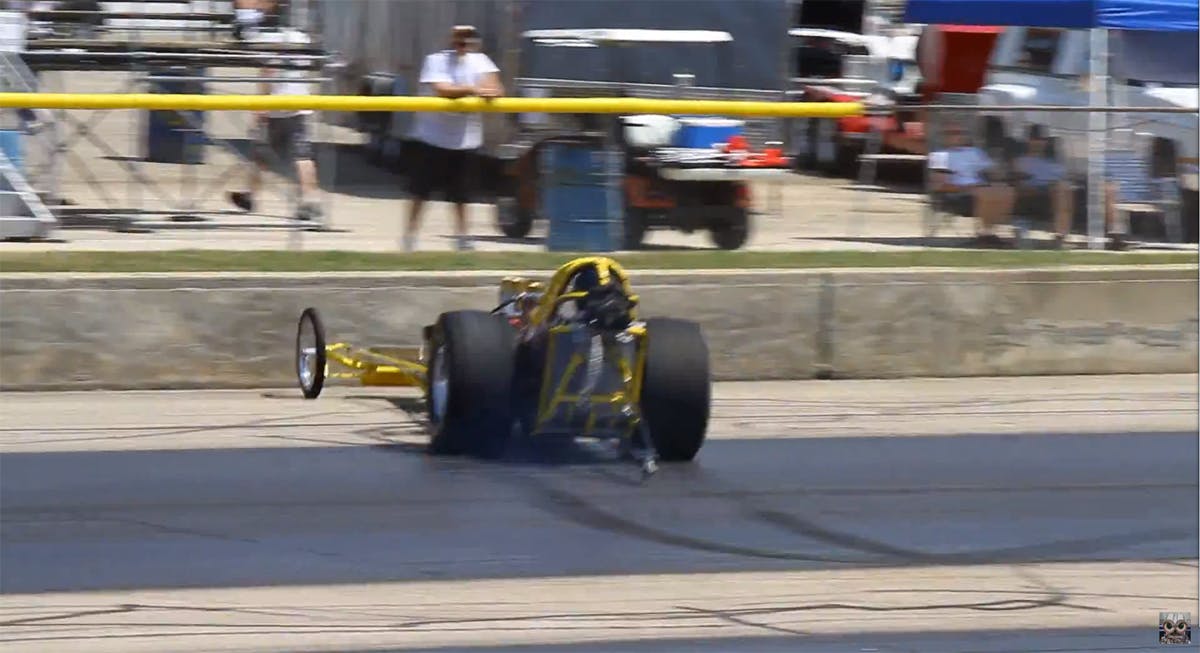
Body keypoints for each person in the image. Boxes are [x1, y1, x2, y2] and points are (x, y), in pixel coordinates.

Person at [403, 25, 504, 252]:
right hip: (432, 137)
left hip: (465, 139)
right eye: (459, 38)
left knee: (462, 194)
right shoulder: (436, 60)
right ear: (451, 39)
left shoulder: (482, 61)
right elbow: (443, 89)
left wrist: (487, 90)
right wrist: (474, 89)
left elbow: (496, 87)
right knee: (420, 191)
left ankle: (462, 237)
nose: (463, 43)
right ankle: (410, 236)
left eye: (468, 39)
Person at [227, 0, 323, 222]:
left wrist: (260, 107)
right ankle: (309, 199)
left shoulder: (267, 39)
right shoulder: (301, 38)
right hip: (298, 103)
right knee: (300, 155)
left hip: (277, 105)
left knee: (264, 153)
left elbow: (267, 74)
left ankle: (252, 195)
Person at [927, 123, 1016, 247]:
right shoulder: (939, 156)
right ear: (944, 137)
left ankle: (989, 233)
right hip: (957, 194)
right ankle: (984, 235)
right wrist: (967, 188)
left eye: (960, 133)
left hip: (981, 188)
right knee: (988, 193)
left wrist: (1001, 168)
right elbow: (939, 185)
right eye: (951, 133)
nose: (956, 136)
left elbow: (994, 172)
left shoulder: (974, 152)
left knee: (1007, 191)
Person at [1013, 125, 1075, 248]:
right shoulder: (1021, 161)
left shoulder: (1053, 163)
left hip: (1050, 195)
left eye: (1041, 140)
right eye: (1034, 139)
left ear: (1045, 142)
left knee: (1063, 190)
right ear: (1029, 141)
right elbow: (1016, 182)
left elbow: (1062, 179)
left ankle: (1061, 236)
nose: (1037, 143)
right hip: (1026, 196)